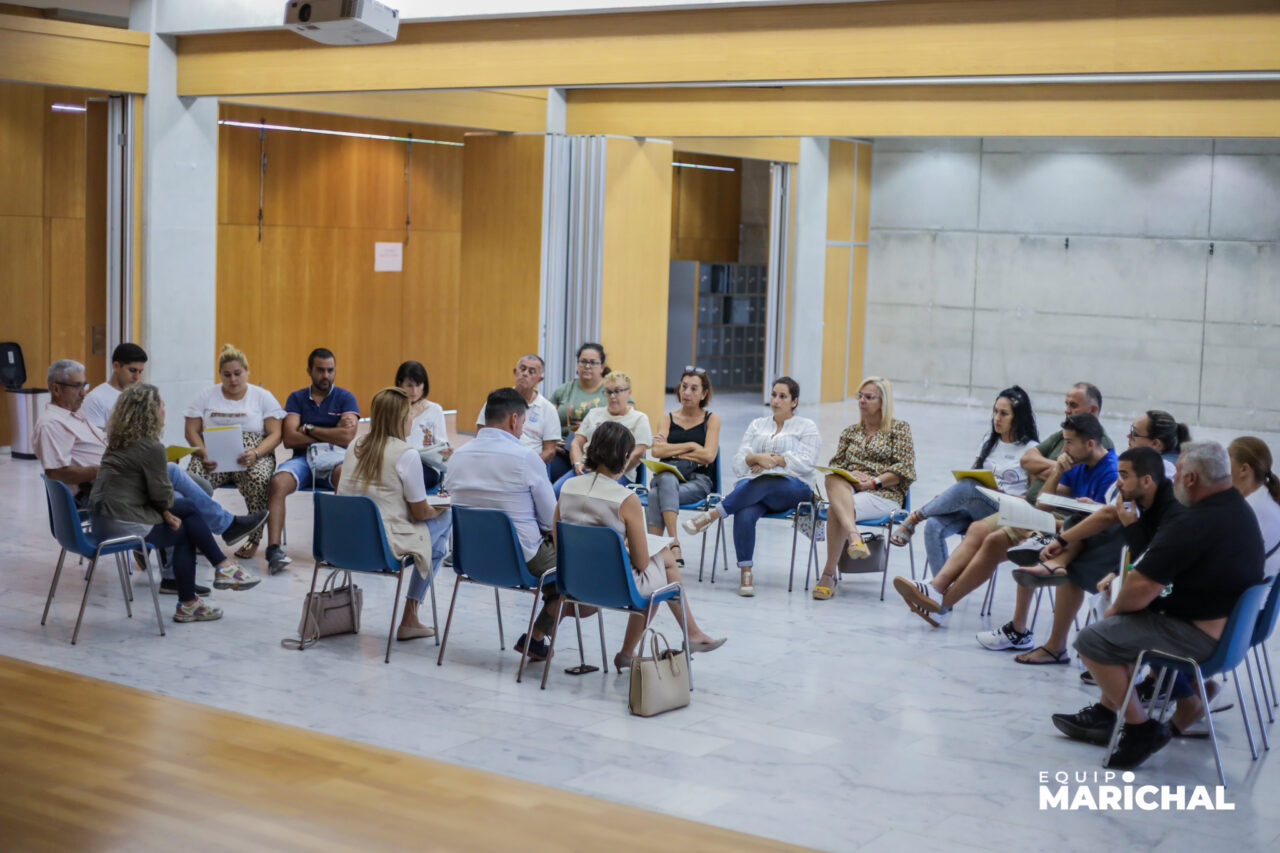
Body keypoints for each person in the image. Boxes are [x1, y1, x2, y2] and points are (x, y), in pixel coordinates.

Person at [1051, 441, 1264, 769]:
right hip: (1229, 634)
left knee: (1093, 639)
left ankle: (1140, 729)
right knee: (1122, 629)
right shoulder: (1238, 510)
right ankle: (1111, 714)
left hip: (1198, 638)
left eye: (1178, 471)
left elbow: (1141, 586)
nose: (1173, 477)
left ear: (1191, 478)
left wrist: (1115, 612)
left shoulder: (1194, 521)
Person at [888, 384, 1113, 627]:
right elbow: (1030, 465)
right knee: (954, 525)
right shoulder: (1064, 437)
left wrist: (1048, 474)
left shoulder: (1095, 449)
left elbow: (1095, 513)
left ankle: (938, 590)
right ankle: (937, 593)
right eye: (1066, 404)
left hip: (1045, 517)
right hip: (1033, 509)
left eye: (1073, 405)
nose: (1066, 410)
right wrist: (1057, 468)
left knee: (972, 497)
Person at [34, 359, 265, 595]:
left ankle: (211, 549)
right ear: (56, 388)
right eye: (77, 386)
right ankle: (207, 554)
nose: (84, 392)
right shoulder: (52, 424)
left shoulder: (76, 416)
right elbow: (56, 473)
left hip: (115, 488)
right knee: (181, 499)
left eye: (85, 385)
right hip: (101, 494)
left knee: (179, 484)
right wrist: (115, 468)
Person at [557, 421, 725, 671]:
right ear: (625, 457)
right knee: (663, 571)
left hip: (572, 582)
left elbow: (558, 537)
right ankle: (642, 647)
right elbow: (641, 562)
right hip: (615, 588)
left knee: (664, 559)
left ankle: (684, 635)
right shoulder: (626, 498)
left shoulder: (567, 487)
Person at [89, 384, 261, 624]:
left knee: (187, 511)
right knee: (186, 525)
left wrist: (166, 508)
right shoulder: (151, 447)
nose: (164, 409)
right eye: (162, 405)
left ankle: (217, 573)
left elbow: (148, 493)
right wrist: (166, 507)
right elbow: (162, 496)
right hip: (122, 524)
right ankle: (206, 585)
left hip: (102, 520)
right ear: (150, 412)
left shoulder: (118, 443)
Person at [1000, 447, 1180, 665]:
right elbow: (1115, 521)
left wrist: (1118, 572)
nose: (1118, 483)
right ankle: (1058, 565)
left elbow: (1155, 559)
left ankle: (1118, 665)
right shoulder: (1142, 496)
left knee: (1090, 641)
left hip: (1171, 592)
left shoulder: (1172, 509)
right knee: (1076, 548)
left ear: (1147, 480)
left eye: (1124, 476)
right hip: (1142, 567)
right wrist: (1062, 541)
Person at [445, 388, 559, 663]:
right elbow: (551, 520)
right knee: (577, 568)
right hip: (520, 560)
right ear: (514, 419)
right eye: (523, 423)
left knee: (558, 574)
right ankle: (537, 635)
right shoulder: (525, 458)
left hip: (470, 559)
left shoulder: (458, 456)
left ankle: (537, 638)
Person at [682, 377, 821, 597]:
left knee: (765, 481)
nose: (776, 400)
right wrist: (755, 458)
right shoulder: (757, 424)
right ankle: (746, 572)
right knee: (745, 510)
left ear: (794, 401)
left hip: (793, 488)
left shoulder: (807, 427)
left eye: (782, 396)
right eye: (773, 395)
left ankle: (713, 515)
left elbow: (806, 462)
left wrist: (775, 460)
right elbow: (739, 463)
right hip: (754, 488)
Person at [338, 388, 452, 641]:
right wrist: (442, 506)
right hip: (384, 547)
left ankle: (411, 618)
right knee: (444, 522)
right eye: (409, 415)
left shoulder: (354, 445)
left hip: (343, 544)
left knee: (434, 545)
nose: (412, 419)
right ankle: (410, 616)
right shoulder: (406, 454)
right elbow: (420, 512)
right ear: (401, 419)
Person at [890, 386, 1037, 569]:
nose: (996, 418)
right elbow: (974, 476)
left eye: (1004, 414)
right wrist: (948, 497)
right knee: (933, 526)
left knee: (969, 487)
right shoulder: (989, 442)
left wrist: (1005, 495)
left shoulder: (1031, 449)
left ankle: (914, 518)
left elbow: (1033, 500)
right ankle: (940, 585)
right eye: (995, 411)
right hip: (978, 508)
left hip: (1007, 513)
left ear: (1018, 417)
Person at [812, 377, 916, 601]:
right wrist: (851, 474)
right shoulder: (850, 432)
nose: (862, 401)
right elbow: (837, 464)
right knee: (832, 477)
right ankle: (854, 536)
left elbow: (904, 470)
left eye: (868, 397)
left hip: (883, 493)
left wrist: (873, 482)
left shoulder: (899, 429)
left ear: (883, 402)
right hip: (849, 489)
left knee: (834, 511)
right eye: (860, 396)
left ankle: (828, 575)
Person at [183, 344, 284, 559]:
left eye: (238, 373)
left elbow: (276, 434)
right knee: (192, 480)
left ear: (247, 371)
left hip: (251, 455)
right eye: (227, 375)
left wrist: (256, 453)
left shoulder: (262, 396)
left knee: (259, 478)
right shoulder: (206, 395)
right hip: (212, 455)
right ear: (220, 374)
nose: (233, 380)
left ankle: (253, 538)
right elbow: (191, 431)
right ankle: (199, 536)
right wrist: (203, 453)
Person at [265, 348, 360, 573]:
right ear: (309, 371)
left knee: (344, 476)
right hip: (303, 460)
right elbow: (289, 439)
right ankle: (274, 550)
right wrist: (331, 431)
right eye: (320, 370)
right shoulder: (296, 398)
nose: (326, 375)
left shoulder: (345, 398)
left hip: (335, 459)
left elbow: (347, 437)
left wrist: (308, 428)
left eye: (330, 370)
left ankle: (339, 548)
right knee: (277, 483)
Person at [646, 367, 720, 564]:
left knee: (655, 495)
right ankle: (674, 543)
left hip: (698, 480)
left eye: (694, 389)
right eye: (684, 387)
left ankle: (655, 552)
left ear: (704, 394)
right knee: (667, 477)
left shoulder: (711, 419)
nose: (687, 393)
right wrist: (691, 446)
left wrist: (671, 450)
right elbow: (657, 451)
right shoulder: (667, 418)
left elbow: (709, 456)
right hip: (667, 475)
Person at [553, 371, 650, 496]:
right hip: (588, 468)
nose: (612, 396)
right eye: (608, 392)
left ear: (629, 392)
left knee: (596, 497)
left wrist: (616, 472)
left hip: (618, 473)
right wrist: (577, 464)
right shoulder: (594, 413)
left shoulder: (639, 418)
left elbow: (638, 453)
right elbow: (576, 443)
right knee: (556, 491)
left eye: (617, 391)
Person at [474, 353, 562, 464]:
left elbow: (550, 451)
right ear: (515, 372)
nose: (525, 374)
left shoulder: (548, 409)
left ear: (539, 379)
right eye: (522, 369)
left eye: (531, 372)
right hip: (496, 460)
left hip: (531, 463)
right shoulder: (496, 399)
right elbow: (480, 434)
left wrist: (528, 465)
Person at [546, 343, 609, 480]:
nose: (587, 366)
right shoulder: (564, 390)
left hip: (597, 456)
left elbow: (626, 419)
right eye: (583, 361)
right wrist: (550, 441)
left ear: (602, 367)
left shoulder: (612, 391)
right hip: (563, 452)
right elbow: (545, 420)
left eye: (593, 362)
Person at [1229, 437, 1280, 580]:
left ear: (1244, 469)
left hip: (1246, 586)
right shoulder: (1266, 496)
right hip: (1259, 586)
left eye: (1227, 459)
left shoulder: (1249, 508)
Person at [396, 360, 451, 490]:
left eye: (418, 385)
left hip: (425, 465)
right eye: (409, 385)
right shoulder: (392, 408)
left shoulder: (435, 409)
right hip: (397, 462)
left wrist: (446, 452)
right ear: (399, 384)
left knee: (408, 478)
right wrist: (411, 414)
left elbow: (441, 444)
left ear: (424, 385)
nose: (414, 391)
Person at [79, 342, 147, 429]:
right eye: (132, 370)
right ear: (116, 366)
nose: (136, 377)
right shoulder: (96, 399)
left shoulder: (140, 397)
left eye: (140, 372)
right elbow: (94, 436)